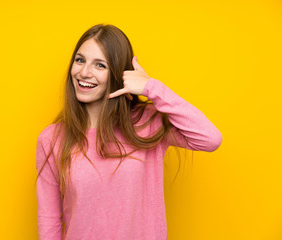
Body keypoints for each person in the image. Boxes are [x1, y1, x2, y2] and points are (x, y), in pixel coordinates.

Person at [35, 23, 222, 240]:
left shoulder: (148, 122)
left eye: (100, 65)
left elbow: (210, 138)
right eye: (80, 60)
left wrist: (151, 88)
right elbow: (49, 220)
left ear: (119, 74)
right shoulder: (52, 139)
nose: (84, 72)